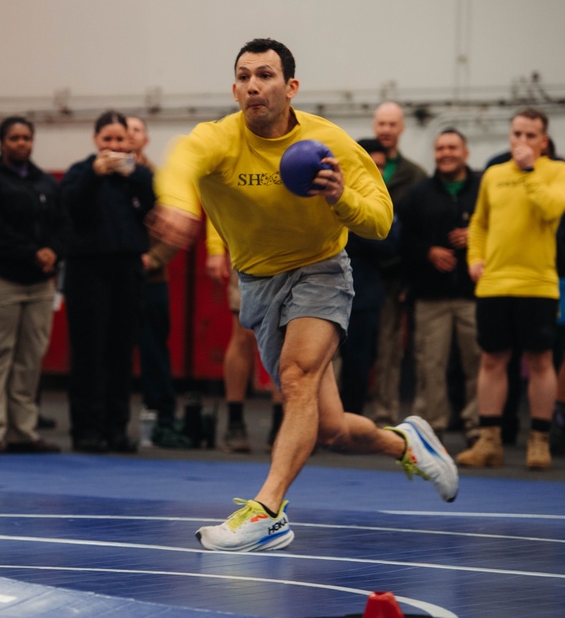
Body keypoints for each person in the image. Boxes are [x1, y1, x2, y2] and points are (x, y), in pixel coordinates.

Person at [150, 38, 458, 552]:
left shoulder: (330, 142)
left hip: (321, 271)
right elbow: (182, 158)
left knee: (294, 378)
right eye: (244, 76)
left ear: (290, 87)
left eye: (266, 75)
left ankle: (268, 511)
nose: (254, 85)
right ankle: (406, 442)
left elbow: (381, 222)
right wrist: (178, 203)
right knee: (332, 427)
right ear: (235, 89)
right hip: (259, 281)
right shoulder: (219, 139)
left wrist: (340, 198)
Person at [456, 109, 565, 470]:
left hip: (538, 283)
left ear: (543, 141)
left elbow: (551, 209)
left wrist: (530, 170)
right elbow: (480, 223)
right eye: (517, 133)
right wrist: (475, 257)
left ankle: (539, 441)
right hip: (494, 283)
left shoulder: (557, 172)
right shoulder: (493, 174)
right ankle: (490, 442)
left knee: (540, 361)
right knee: (491, 359)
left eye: (530, 135)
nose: (522, 141)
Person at [0, 116, 68, 454]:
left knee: (29, 358)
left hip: (37, 283)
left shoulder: (46, 183)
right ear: (2, 143)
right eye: (14, 138)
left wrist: (55, 250)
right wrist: (32, 252)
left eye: (26, 138)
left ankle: (23, 430)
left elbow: (62, 224)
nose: (21, 143)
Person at [62, 111, 156, 453]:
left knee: (121, 351)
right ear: (95, 140)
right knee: (89, 352)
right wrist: (94, 175)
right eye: (107, 140)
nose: (114, 146)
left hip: (128, 269)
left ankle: (116, 428)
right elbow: (71, 209)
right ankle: (86, 429)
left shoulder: (139, 175)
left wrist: (136, 176)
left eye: (120, 140)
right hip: (87, 270)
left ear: (129, 142)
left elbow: (152, 206)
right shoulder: (79, 172)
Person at [397, 129, 481, 445]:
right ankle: (432, 428)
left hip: (473, 294)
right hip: (430, 295)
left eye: (452, 147)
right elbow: (400, 238)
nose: (446, 153)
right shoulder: (418, 194)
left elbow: (500, 227)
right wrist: (427, 252)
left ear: (466, 153)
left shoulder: (483, 190)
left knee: (477, 362)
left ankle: (477, 425)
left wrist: (477, 236)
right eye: (440, 148)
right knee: (430, 364)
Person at [364, 102, 428, 428]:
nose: (386, 130)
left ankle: (386, 412)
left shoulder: (415, 175)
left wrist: (408, 279)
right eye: (381, 124)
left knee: (390, 348)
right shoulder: (355, 163)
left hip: (394, 275)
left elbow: (419, 230)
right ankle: (340, 414)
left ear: (402, 129)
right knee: (344, 347)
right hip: (358, 272)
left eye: (392, 124)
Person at [127, 116, 189, 448]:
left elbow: (174, 228)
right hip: (117, 277)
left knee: (154, 350)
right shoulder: (109, 178)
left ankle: (164, 414)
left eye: (136, 130)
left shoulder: (159, 179)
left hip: (152, 277)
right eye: (124, 131)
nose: (130, 136)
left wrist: (153, 259)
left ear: (145, 139)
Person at [204, 226, 284, 453]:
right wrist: (216, 249)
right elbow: (218, 194)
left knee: (285, 335)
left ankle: (281, 426)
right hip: (247, 246)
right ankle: (235, 422)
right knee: (243, 334)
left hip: (293, 248)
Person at [336, 138, 400, 416]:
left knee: (360, 365)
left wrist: (353, 229)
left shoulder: (384, 203)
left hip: (365, 297)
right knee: (317, 364)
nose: (378, 171)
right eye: (372, 164)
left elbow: (390, 245)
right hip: (324, 292)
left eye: (382, 166)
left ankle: (350, 423)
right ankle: (314, 425)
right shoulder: (330, 194)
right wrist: (363, 228)